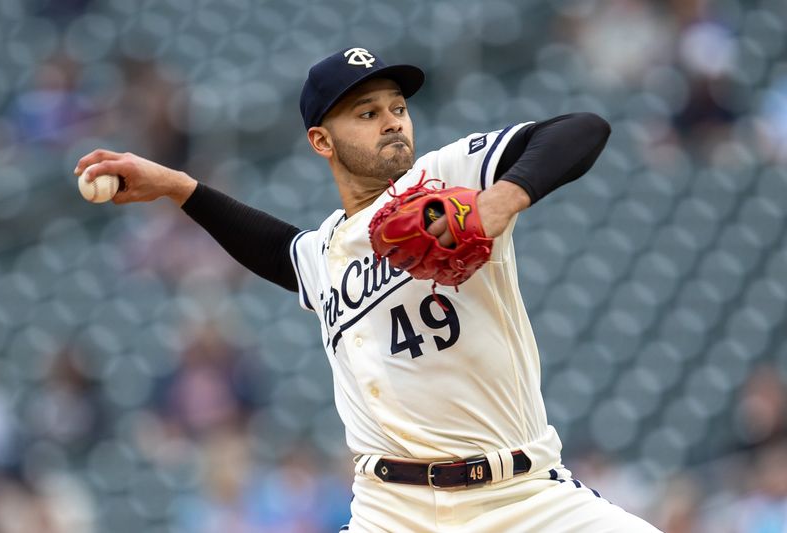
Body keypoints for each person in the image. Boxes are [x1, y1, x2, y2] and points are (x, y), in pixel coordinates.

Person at [75, 47, 661, 532]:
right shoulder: (326, 251)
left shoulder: (447, 176)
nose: (391, 121)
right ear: (321, 142)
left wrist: (497, 202)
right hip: (393, 510)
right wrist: (177, 186)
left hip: (524, 496)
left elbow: (583, 129)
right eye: (366, 112)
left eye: (398, 106)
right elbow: (275, 248)